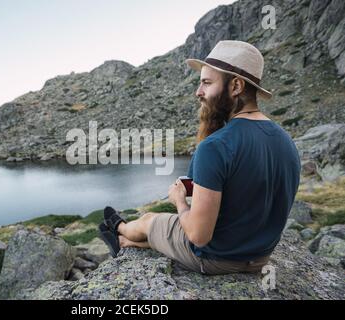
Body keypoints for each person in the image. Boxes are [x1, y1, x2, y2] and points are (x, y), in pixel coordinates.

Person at [99, 40, 301, 275]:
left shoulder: (216, 146)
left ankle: (120, 228)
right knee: (164, 227)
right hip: (260, 258)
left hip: (216, 259)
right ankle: (123, 242)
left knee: (149, 220)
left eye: (207, 83)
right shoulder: (286, 140)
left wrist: (179, 201)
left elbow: (198, 235)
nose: (199, 92)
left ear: (235, 86)